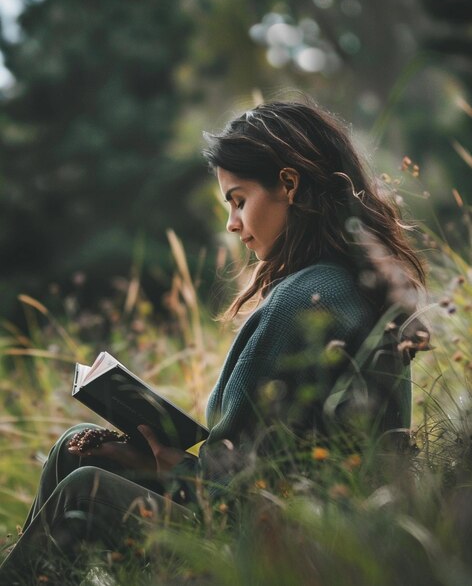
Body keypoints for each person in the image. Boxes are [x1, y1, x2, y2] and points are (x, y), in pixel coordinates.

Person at [0, 99, 427, 584]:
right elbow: (265, 470)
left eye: (239, 200)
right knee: (76, 450)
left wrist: (173, 470)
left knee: (84, 490)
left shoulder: (304, 302)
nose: (232, 223)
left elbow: (236, 501)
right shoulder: (350, 283)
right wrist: (164, 464)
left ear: (289, 184)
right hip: (300, 526)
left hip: (279, 551)